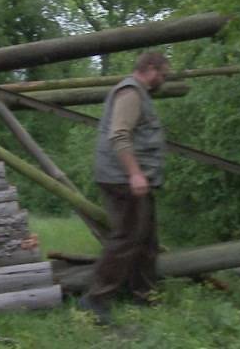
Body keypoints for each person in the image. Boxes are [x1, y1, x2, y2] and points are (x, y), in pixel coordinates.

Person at [79, 52, 170, 325]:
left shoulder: (139, 93)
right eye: (164, 74)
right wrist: (135, 174)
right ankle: (95, 298)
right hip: (123, 178)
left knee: (146, 239)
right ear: (151, 69)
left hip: (134, 179)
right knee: (126, 238)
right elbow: (120, 134)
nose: (164, 80)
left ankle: (144, 294)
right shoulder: (130, 92)